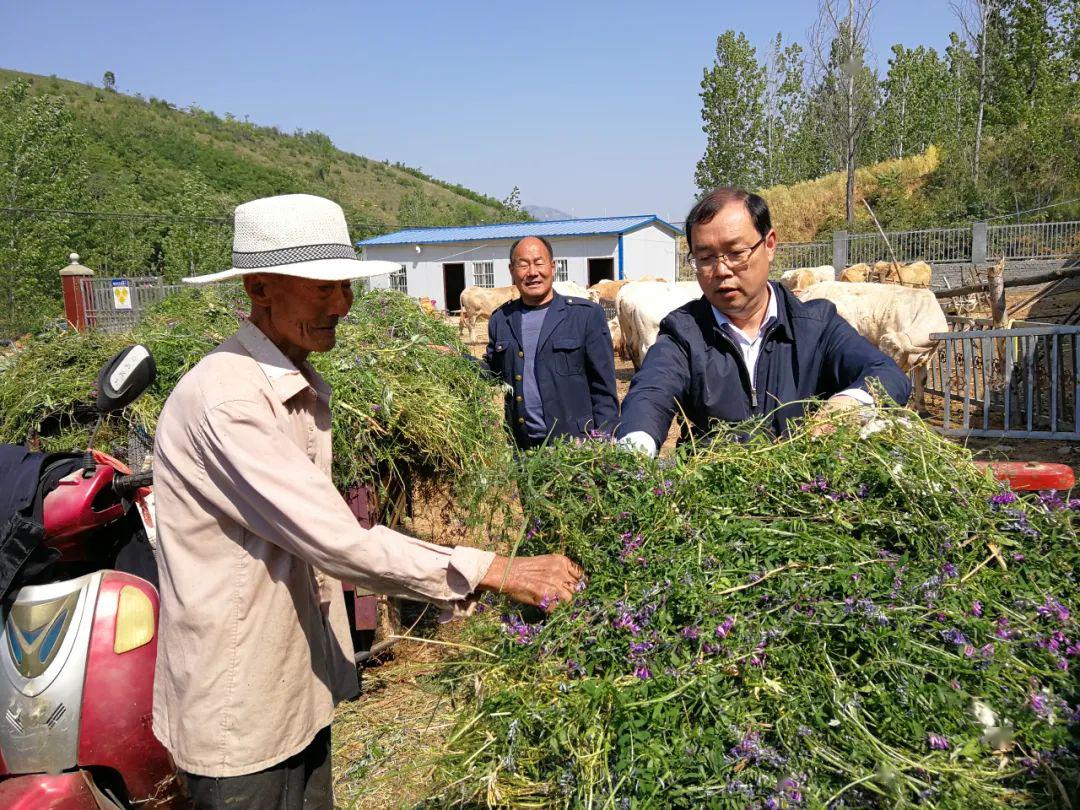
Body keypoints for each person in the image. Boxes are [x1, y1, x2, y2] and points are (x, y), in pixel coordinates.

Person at [152, 194, 583, 810]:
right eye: (322, 289)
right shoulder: (229, 402)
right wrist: (496, 570)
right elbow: (340, 539)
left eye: (344, 287)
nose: (342, 305)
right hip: (239, 707)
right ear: (259, 287)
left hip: (294, 684)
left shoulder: (294, 384)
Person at [617, 187, 910, 456]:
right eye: (705, 258)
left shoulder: (815, 325)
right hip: (715, 493)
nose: (721, 270)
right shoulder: (685, 332)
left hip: (807, 492)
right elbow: (651, 391)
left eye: (736, 253)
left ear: (769, 245)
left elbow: (887, 374)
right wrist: (635, 448)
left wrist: (847, 405)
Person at [483, 235, 618, 448]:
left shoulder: (585, 316)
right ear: (512, 271)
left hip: (576, 450)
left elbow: (604, 390)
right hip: (524, 450)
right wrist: (455, 358)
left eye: (539, 263)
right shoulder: (501, 319)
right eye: (523, 265)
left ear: (553, 267)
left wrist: (603, 443)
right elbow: (492, 371)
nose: (533, 272)